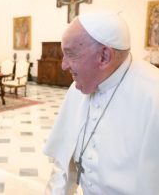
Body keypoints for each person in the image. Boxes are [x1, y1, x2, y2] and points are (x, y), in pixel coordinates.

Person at [43, 11, 159, 195]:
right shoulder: (77, 88)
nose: (63, 65)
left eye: (70, 54)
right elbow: (63, 165)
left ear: (104, 56)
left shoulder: (154, 96)